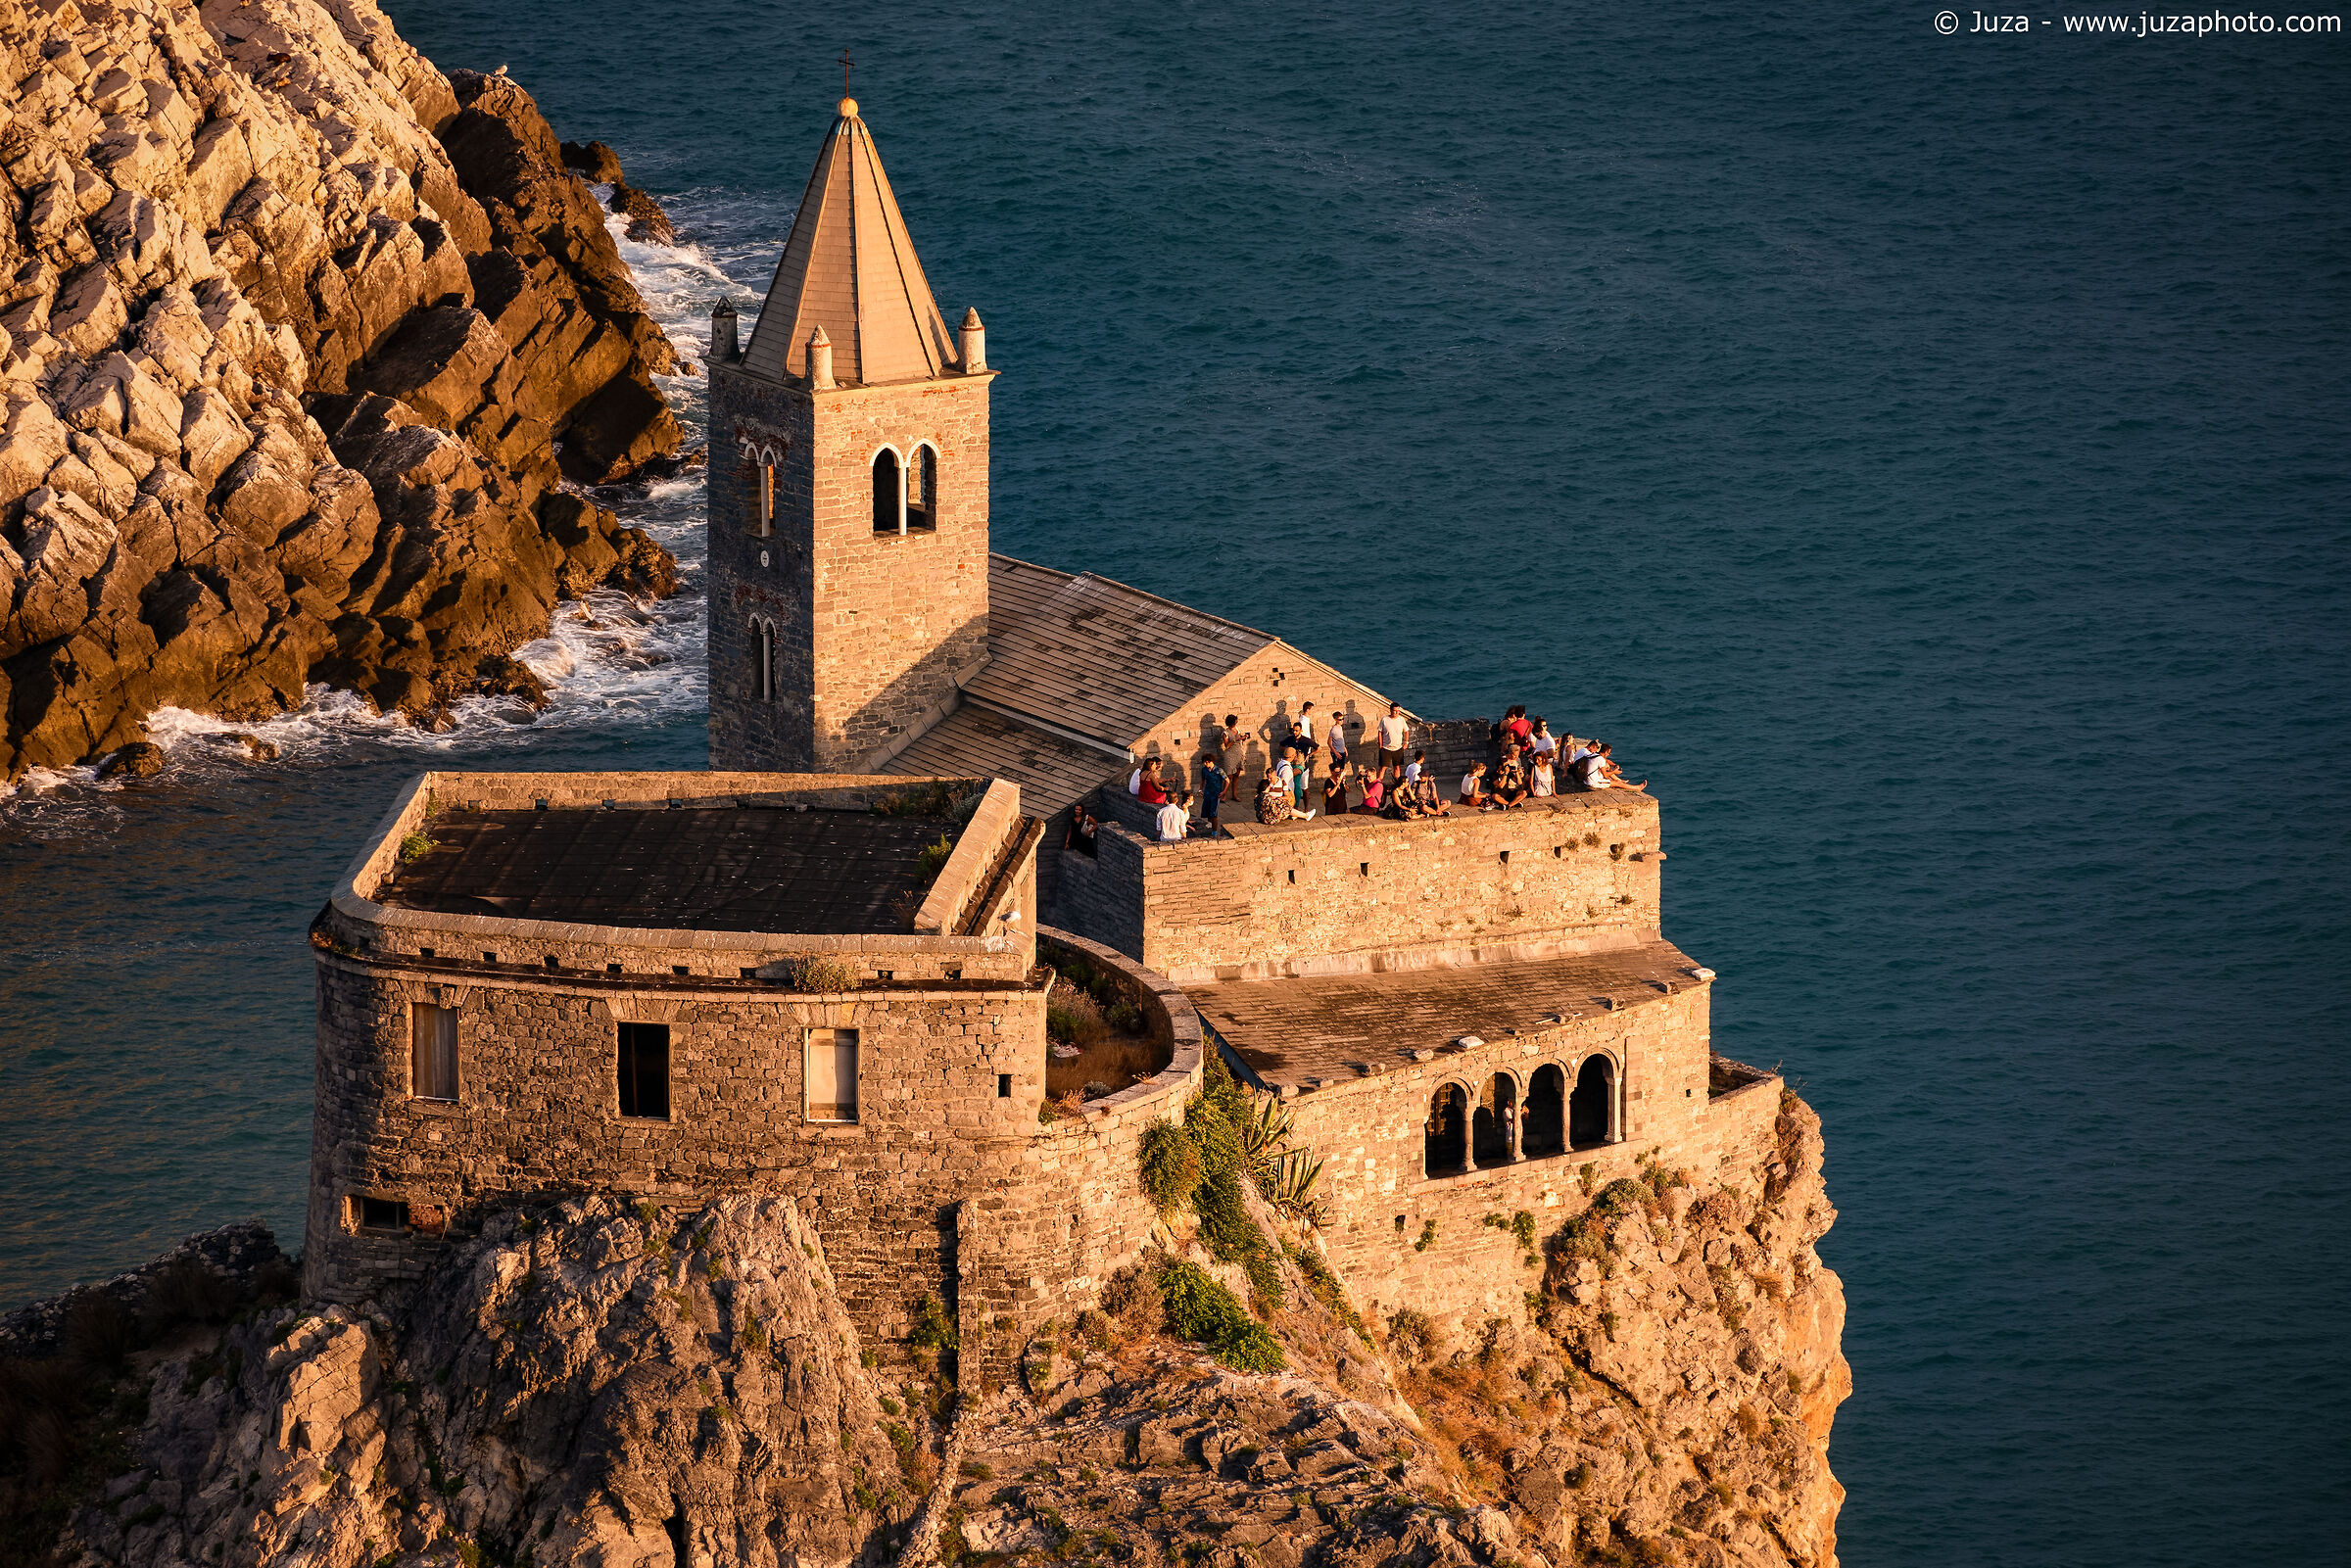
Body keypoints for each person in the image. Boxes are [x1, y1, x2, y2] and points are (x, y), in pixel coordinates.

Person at [1375, 701, 1410, 778]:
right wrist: (1380, 745)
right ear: (1390, 710)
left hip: (1398, 748)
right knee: (1383, 768)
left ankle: (1396, 784)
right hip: (1386, 748)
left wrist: (1406, 742)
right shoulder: (1384, 719)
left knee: (1397, 767)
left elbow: (1406, 731)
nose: (1397, 712)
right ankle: (1377, 784)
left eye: (1398, 710)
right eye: (1395, 710)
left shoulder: (1401, 719)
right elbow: (1380, 732)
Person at [1199, 753, 1227, 825]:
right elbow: (1202, 780)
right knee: (1207, 811)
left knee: (1214, 812)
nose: (1205, 764)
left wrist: (1224, 791)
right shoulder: (1204, 770)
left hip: (1216, 794)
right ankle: (1209, 825)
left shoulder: (1219, 770)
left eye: (1207, 762)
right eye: (1204, 762)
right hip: (1207, 793)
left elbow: (1227, 780)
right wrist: (1200, 790)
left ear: (1211, 761)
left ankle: (1214, 830)